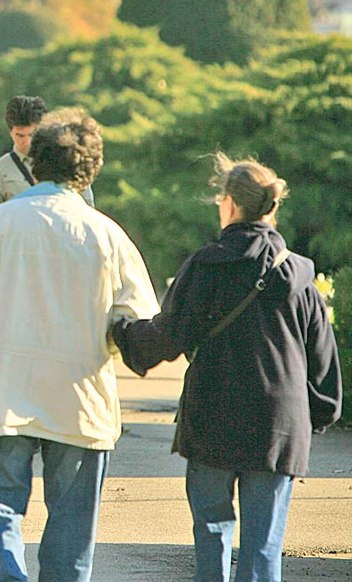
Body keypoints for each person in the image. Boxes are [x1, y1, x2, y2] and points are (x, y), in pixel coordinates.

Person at [0, 115, 159, 581]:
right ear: (91, 170)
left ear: (33, 162)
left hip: (4, 390)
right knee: (74, 525)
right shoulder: (107, 234)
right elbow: (139, 319)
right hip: (81, 393)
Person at [112, 156, 342, 582]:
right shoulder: (298, 275)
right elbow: (323, 364)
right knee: (264, 548)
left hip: (213, 419)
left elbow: (169, 334)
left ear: (231, 204)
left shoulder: (207, 265)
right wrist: (315, 417)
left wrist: (121, 332)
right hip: (279, 428)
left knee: (212, 532)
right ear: (271, 208)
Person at [0, 96, 94, 217]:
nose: (27, 142)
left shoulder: (66, 161)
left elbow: (88, 209)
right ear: (10, 132)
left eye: (32, 134)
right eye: (20, 136)